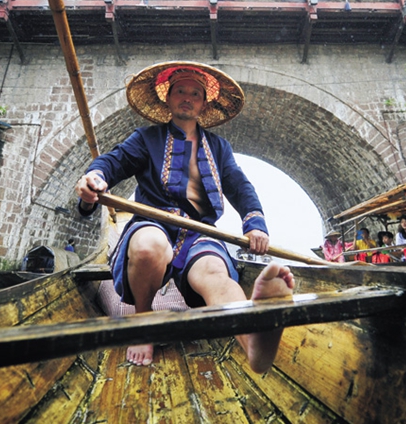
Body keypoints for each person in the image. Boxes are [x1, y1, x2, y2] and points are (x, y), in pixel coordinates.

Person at [75, 61, 295, 373]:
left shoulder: (219, 147)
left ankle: (253, 343)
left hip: (199, 232)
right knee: (149, 246)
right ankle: (142, 323)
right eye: (180, 91)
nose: (187, 97)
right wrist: (94, 178)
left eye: (195, 93)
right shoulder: (146, 138)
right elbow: (114, 161)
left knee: (216, 274)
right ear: (168, 97)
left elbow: (239, 186)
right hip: (153, 223)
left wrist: (254, 223)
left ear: (204, 103)